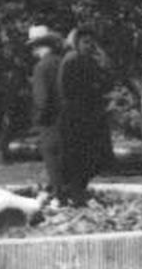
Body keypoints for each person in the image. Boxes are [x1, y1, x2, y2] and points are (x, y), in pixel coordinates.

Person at [57, 25, 114, 205]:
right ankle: (74, 196)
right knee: (77, 159)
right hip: (76, 118)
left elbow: (105, 83)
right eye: (85, 42)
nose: (89, 46)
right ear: (77, 43)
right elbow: (72, 90)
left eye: (92, 42)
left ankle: (78, 193)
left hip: (88, 117)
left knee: (87, 159)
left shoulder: (89, 61)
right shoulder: (73, 61)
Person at [26, 25, 68, 205]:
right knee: (64, 160)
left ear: (38, 46)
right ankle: (66, 195)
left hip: (49, 123)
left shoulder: (41, 67)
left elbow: (41, 100)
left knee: (52, 161)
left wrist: (37, 121)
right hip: (66, 119)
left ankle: (59, 198)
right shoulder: (62, 61)